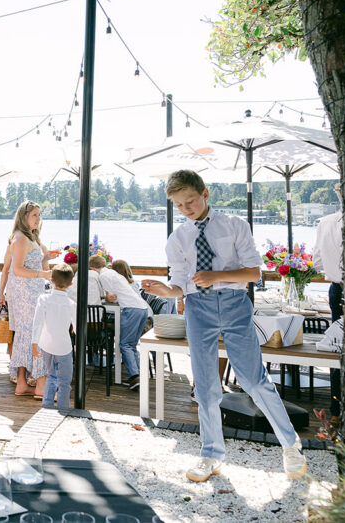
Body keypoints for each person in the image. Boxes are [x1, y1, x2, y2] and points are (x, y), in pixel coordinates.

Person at [142, 170, 306, 483]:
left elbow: (253, 274)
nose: (186, 208)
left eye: (189, 200)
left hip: (233, 304)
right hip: (197, 309)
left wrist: (216, 276)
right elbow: (179, 284)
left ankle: (290, 444)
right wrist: (166, 291)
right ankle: (211, 454)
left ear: (204, 194)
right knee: (204, 387)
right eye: (179, 205)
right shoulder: (177, 239)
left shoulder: (234, 226)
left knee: (254, 380)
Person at [4, 201, 50, 398]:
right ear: (23, 217)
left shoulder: (28, 238)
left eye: (39, 215)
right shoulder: (21, 239)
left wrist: (45, 259)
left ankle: (22, 383)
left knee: (25, 336)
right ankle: (40, 385)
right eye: (34, 215)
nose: (38, 219)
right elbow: (17, 269)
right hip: (25, 293)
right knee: (37, 334)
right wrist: (43, 275)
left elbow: (31, 264)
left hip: (31, 291)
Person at [312, 182, 343, 422]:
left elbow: (317, 264)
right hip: (343, 290)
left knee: (337, 347)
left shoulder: (325, 223)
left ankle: (337, 410)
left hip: (337, 290)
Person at [99, 258, 151, 391]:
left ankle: (135, 376)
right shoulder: (115, 276)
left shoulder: (104, 276)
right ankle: (139, 376)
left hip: (131, 310)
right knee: (131, 344)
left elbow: (111, 296)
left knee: (125, 344)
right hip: (142, 309)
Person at [32, 265, 77, 409]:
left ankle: (47, 407)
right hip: (64, 348)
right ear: (71, 283)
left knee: (51, 376)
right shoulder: (71, 304)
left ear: (51, 280)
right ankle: (63, 410)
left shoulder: (43, 299)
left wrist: (34, 343)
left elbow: (37, 322)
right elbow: (76, 327)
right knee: (64, 382)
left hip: (46, 346)